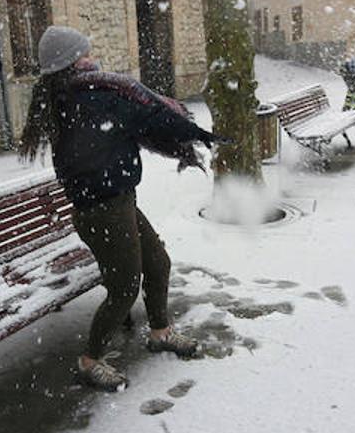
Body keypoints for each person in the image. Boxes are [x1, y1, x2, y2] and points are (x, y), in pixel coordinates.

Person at [17, 26, 218, 391]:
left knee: (158, 263)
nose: (92, 60)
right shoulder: (86, 98)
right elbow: (137, 120)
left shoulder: (87, 95)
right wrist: (183, 132)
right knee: (124, 288)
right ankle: (89, 360)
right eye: (83, 55)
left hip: (118, 202)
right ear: (68, 65)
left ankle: (160, 332)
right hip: (101, 211)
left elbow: (130, 121)